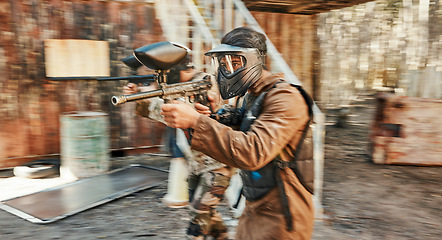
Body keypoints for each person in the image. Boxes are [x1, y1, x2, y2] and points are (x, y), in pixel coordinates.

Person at [161, 27, 315, 240]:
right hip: (254, 207)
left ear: (256, 60)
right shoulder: (252, 96)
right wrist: (211, 117)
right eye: (224, 64)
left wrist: (197, 121)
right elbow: (238, 130)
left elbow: (253, 151)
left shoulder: (286, 98)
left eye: (236, 62)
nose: (229, 70)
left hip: (284, 216)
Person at [123, 56, 234, 240]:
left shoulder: (204, 84)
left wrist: (143, 98)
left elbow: (180, 114)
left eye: (166, 73)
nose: (161, 79)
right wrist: (139, 95)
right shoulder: (186, 86)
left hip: (217, 167)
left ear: (178, 71)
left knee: (198, 220)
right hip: (198, 166)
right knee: (208, 217)